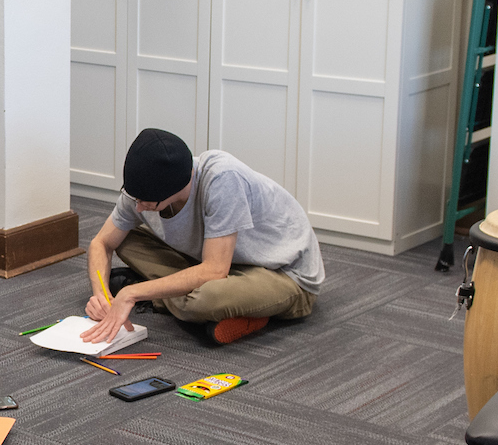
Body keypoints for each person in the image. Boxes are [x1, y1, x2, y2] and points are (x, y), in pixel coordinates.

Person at [83, 128, 325, 347]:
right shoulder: (143, 189)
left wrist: (131, 293)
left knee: (203, 299)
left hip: (283, 273)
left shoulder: (222, 179)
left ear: (173, 188)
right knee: (126, 237)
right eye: (134, 198)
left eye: (145, 201)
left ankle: (160, 293)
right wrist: (102, 296)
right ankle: (181, 294)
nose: (138, 207)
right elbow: (101, 243)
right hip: (219, 260)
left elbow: (215, 271)